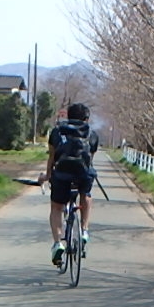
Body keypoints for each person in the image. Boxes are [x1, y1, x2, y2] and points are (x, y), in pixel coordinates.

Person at [45, 102, 100, 265]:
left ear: (68, 116)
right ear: (87, 118)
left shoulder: (57, 131)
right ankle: (84, 231)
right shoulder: (92, 134)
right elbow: (90, 158)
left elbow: (52, 157)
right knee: (86, 195)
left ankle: (57, 243)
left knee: (56, 207)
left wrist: (48, 175)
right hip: (83, 174)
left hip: (61, 174)